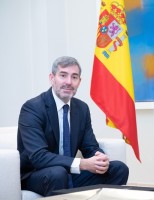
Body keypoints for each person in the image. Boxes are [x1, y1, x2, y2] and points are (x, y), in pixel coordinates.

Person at [17, 56, 129, 196]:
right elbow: (39, 157)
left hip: (69, 172)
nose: (69, 82)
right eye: (63, 75)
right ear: (52, 78)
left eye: (74, 77)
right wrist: (82, 164)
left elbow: (89, 146)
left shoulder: (82, 108)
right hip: (36, 174)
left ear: (79, 82)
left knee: (119, 168)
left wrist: (99, 157)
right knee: (58, 173)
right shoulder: (32, 108)